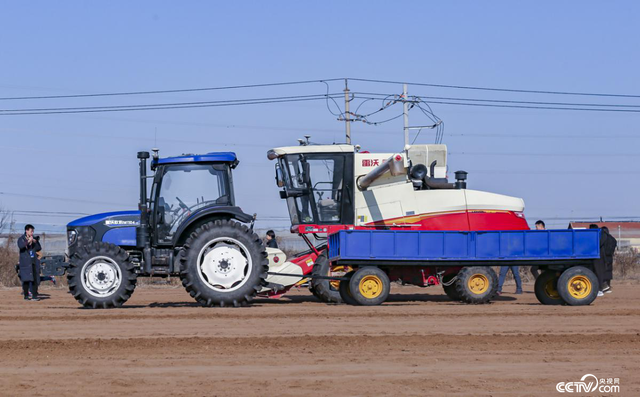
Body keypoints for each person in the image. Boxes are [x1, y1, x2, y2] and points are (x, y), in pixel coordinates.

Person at [17, 224, 42, 301]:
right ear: (26, 231)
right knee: (26, 280)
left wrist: (36, 241)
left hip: (33, 262)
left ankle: (34, 295)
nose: (32, 233)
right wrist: (28, 241)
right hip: (25, 262)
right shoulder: (21, 239)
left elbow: (39, 248)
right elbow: (21, 246)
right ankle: (26, 295)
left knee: (34, 279)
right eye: (31, 231)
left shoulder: (33, 239)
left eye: (33, 231)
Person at [589, 224, 608, 297]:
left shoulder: (602, 235)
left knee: (599, 273)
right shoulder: (599, 234)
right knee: (596, 272)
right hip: (596, 256)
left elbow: (599, 244)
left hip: (599, 257)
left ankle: (600, 289)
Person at [601, 226, 617, 294]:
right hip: (610, 257)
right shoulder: (613, 239)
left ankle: (604, 287)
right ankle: (608, 286)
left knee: (603, 271)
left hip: (603, 257)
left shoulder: (603, 238)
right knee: (609, 272)